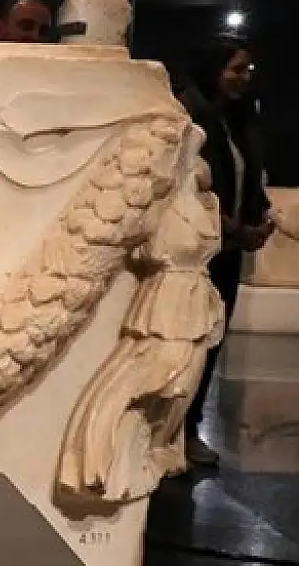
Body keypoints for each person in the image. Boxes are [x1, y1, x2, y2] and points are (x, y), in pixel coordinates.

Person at [177, 35, 274, 467]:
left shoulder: (238, 119)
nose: (243, 77)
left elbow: (248, 177)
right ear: (214, 68)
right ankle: (168, 432)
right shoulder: (187, 115)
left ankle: (188, 429)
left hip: (228, 251)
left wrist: (259, 221)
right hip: (193, 253)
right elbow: (186, 185)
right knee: (185, 342)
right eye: (236, 69)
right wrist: (231, 227)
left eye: (247, 70)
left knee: (211, 341)